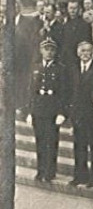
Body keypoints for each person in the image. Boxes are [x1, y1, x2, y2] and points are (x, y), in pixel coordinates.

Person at [27, 37, 69, 183]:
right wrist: (30, 112)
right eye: (46, 49)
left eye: (52, 50)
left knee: (51, 141)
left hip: (52, 111)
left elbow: (64, 92)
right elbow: (31, 90)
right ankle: (40, 170)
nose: (49, 52)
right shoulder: (36, 67)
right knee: (39, 141)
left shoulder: (60, 68)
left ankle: (50, 172)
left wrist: (62, 113)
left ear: (55, 52)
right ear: (41, 50)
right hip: (38, 110)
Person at [68, 41, 93, 187]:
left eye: (88, 51)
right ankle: (80, 176)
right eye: (82, 51)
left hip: (92, 114)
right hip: (78, 115)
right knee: (79, 147)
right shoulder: (73, 69)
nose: (85, 53)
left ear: (92, 52)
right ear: (78, 52)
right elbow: (71, 92)